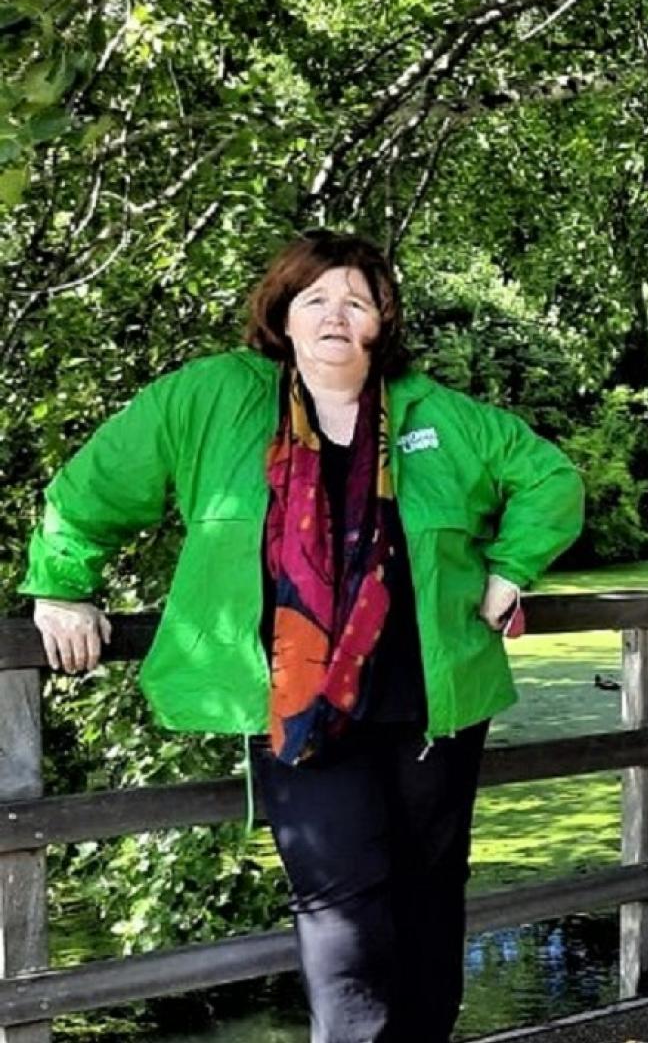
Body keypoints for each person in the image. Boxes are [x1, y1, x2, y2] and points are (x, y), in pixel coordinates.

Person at [23, 230, 585, 1042]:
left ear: (380, 323)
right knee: (341, 899)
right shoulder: (212, 398)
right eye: (315, 298)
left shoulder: (439, 417)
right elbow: (92, 488)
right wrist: (62, 585)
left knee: (430, 891)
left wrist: (510, 567)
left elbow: (549, 478)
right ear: (282, 315)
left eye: (355, 300)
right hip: (297, 705)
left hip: (434, 698)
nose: (334, 314)